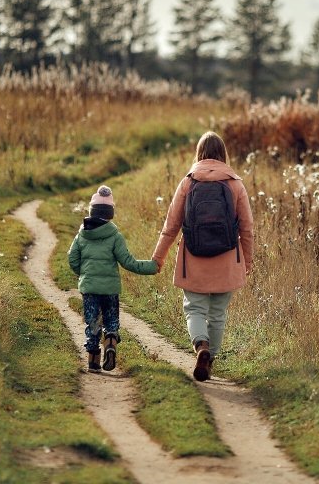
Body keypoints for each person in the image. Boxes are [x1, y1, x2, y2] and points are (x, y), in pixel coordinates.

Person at [152, 131, 254, 381]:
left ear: (199, 153)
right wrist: (247, 262)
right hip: (227, 258)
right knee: (218, 314)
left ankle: (201, 347)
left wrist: (158, 258)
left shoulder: (189, 182)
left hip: (193, 258)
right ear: (223, 154)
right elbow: (247, 229)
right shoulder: (235, 183)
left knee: (195, 309)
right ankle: (211, 360)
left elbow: (171, 225)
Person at [68, 185, 160, 372]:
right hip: (110, 290)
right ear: (110, 214)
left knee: (93, 322)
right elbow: (128, 262)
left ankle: (93, 361)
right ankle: (110, 341)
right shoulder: (115, 236)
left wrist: (83, 275)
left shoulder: (81, 235)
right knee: (111, 320)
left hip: (90, 289)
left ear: (92, 211)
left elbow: (72, 258)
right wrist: (153, 266)